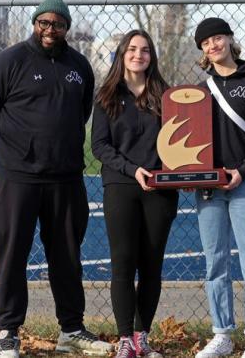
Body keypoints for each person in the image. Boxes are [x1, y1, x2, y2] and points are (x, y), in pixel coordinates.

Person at [0, 0, 112, 358]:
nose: (50, 30)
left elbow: (79, 114)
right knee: (12, 254)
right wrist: (8, 153)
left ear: (66, 27)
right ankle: (8, 332)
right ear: (35, 23)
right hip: (16, 179)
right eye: (44, 23)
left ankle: (72, 329)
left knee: (66, 255)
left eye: (58, 24)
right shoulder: (10, 61)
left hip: (65, 179)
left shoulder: (79, 65)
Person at [192, 18, 245, 358]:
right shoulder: (199, 91)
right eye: (206, 42)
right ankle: (222, 334)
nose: (213, 45)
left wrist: (242, 171)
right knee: (215, 262)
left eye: (218, 38)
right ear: (202, 50)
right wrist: (190, 175)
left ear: (230, 40)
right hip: (209, 187)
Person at [91, 30, 179, 358]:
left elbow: (181, 141)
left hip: (160, 189)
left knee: (151, 265)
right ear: (122, 54)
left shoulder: (166, 96)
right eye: (132, 49)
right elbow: (99, 145)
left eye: (144, 50)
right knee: (124, 264)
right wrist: (132, 170)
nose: (138, 55)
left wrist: (172, 172)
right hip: (121, 186)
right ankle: (125, 338)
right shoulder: (107, 95)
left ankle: (143, 336)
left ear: (151, 56)